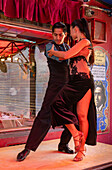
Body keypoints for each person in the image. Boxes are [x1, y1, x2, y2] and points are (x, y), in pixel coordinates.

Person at [17, 22, 76, 162]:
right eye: (55, 34)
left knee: (73, 116)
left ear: (65, 35)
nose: (57, 37)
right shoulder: (50, 47)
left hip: (69, 86)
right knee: (44, 115)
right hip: (55, 86)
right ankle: (28, 148)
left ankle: (63, 145)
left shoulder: (68, 47)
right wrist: (73, 53)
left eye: (60, 34)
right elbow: (62, 57)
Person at [48, 18, 97, 161]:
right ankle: (76, 135)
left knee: (82, 116)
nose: (70, 33)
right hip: (75, 81)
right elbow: (67, 56)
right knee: (57, 104)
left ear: (76, 29)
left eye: (70, 30)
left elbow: (65, 55)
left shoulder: (85, 42)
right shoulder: (78, 45)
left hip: (84, 80)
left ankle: (81, 149)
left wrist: (52, 52)